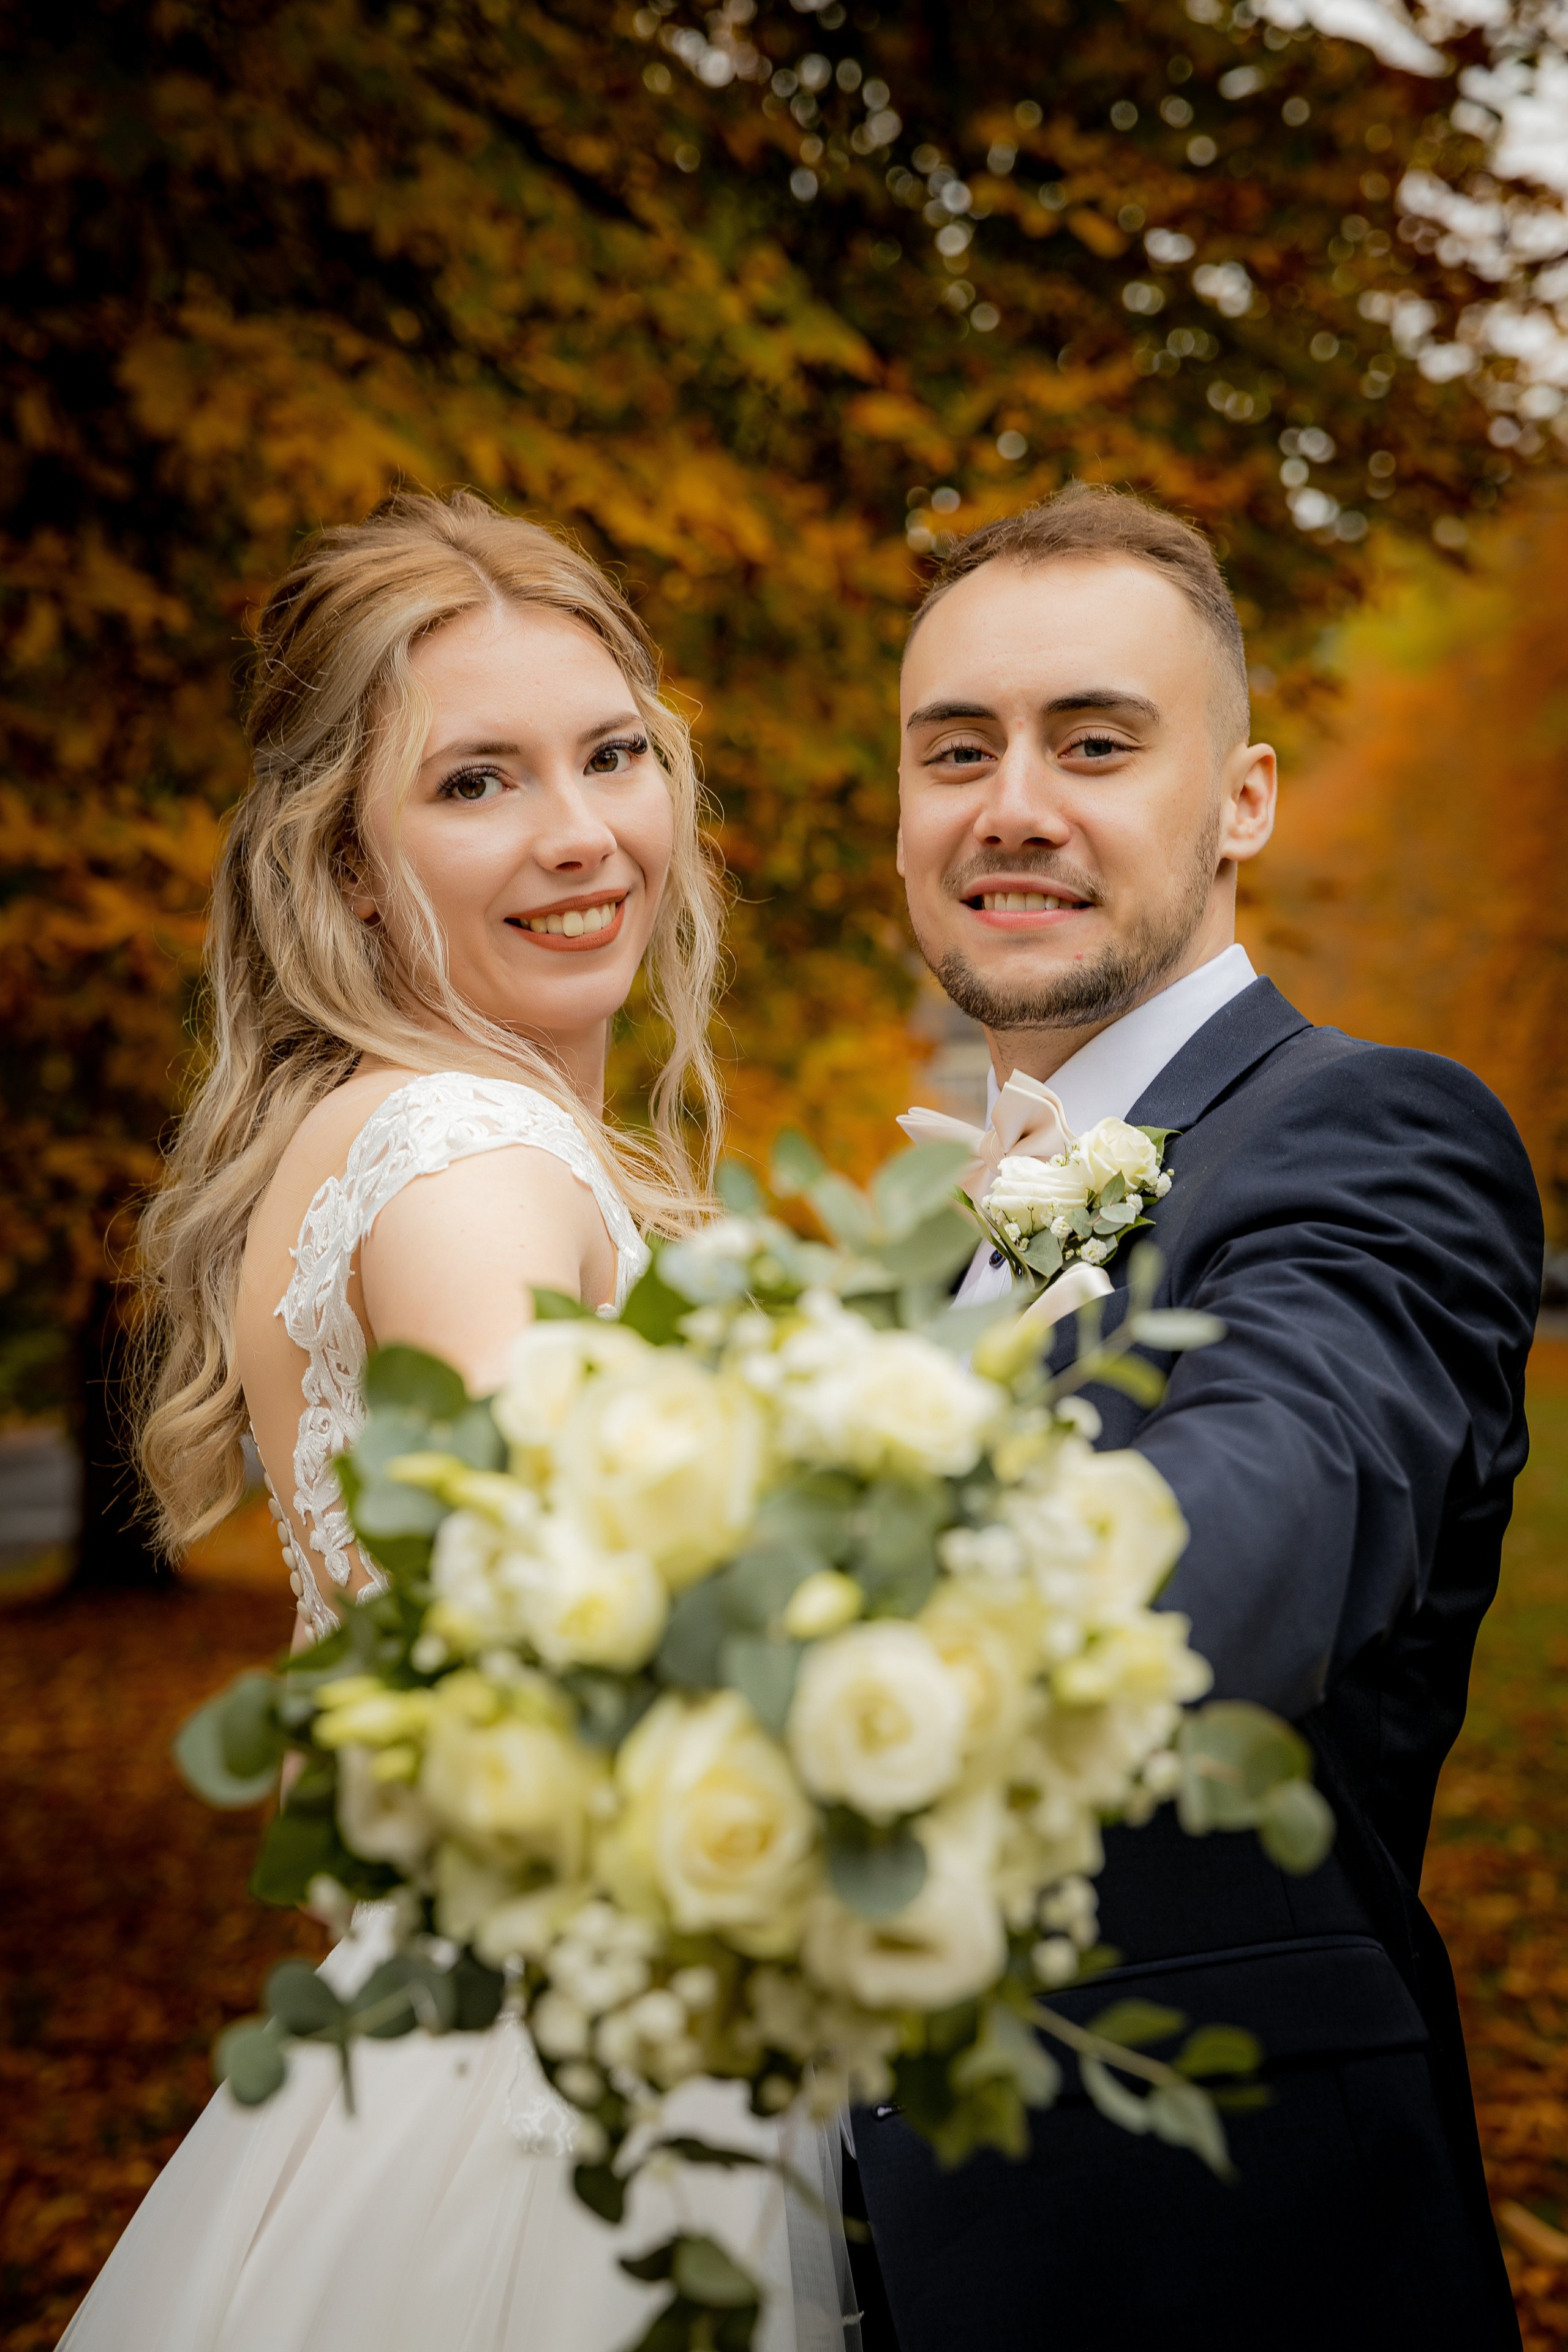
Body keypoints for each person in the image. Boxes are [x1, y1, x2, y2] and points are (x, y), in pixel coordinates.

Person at [60, 491, 849, 2352]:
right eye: (477, 783)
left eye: (613, 758)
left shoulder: (396, 1126)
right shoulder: (469, 1155)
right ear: (342, 862)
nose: (581, 838)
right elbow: (598, 1654)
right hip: (572, 2105)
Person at [846, 484, 1539, 2352]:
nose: (1012, 805)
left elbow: (1272, 1505)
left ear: (1243, 801)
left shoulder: (1376, 1134)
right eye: (956, 750)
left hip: (1216, 2270)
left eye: (1096, 743)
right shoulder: (903, 1256)